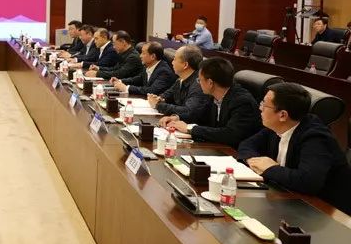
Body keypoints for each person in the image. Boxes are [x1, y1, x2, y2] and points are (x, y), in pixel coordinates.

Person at [237, 83, 351, 215]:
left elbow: (308, 182)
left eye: (264, 104)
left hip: (324, 210)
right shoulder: (276, 127)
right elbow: (246, 145)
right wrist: (256, 161)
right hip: (288, 196)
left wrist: (270, 168)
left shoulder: (315, 138)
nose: (260, 107)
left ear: (282, 115)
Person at [160, 57, 261, 148]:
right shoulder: (214, 95)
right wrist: (176, 118)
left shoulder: (242, 101)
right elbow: (200, 114)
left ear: (210, 83)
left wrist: (190, 128)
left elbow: (230, 134)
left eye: (199, 80)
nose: (198, 83)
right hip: (216, 147)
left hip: (234, 153)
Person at [148, 45, 211, 121]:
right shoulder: (180, 79)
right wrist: (159, 98)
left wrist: (159, 105)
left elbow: (189, 111)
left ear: (185, 65)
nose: (172, 62)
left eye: (174, 59)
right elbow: (169, 94)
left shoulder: (199, 84)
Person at [111, 41, 176, 96]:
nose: (140, 56)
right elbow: (139, 79)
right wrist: (120, 81)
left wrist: (126, 88)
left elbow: (152, 91)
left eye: (143, 53)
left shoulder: (164, 71)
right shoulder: (148, 66)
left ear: (153, 56)